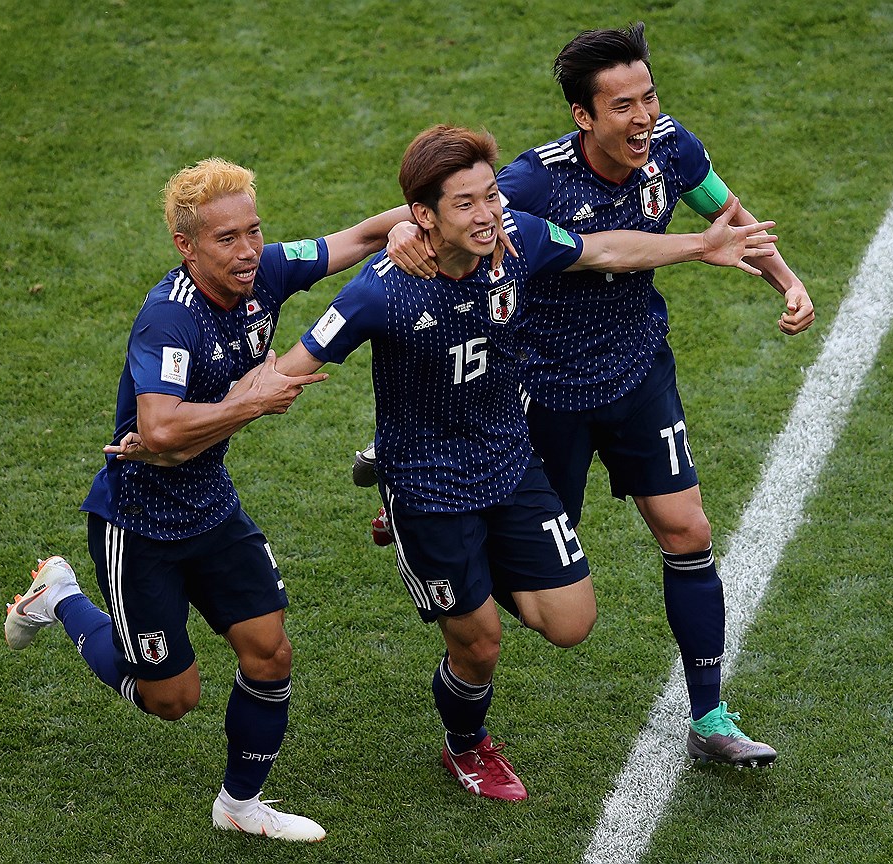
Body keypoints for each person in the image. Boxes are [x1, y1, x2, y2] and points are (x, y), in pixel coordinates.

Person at [275, 125, 778, 800]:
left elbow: (602, 247)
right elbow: (290, 370)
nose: (487, 214)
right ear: (423, 217)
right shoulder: (380, 291)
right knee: (479, 644)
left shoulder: (519, 241)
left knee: (571, 624)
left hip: (510, 462)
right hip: (429, 485)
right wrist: (187, 424)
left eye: (490, 196)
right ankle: (466, 745)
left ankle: (449, 563)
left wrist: (699, 245)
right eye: (465, 203)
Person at [382, 23, 815, 769]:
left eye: (648, 97)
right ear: (584, 116)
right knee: (535, 598)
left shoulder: (672, 148)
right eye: (622, 105)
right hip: (543, 389)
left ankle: (710, 715)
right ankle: (415, 494)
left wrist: (786, 277)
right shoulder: (534, 180)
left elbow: (726, 215)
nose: (643, 116)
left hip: (638, 371)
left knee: (687, 531)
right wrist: (398, 237)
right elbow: (441, 214)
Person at [2, 157, 422, 842]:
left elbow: (367, 235)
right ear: (186, 246)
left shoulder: (267, 270)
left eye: (253, 231)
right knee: (172, 698)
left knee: (269, 653)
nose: (247, 250)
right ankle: (61, 600)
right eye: (226, 238)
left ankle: (239, 804)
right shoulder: (169, 320)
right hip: (139, 525)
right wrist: (248, 400)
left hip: (212, 507)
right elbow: (160, 427)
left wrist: (413, 225)